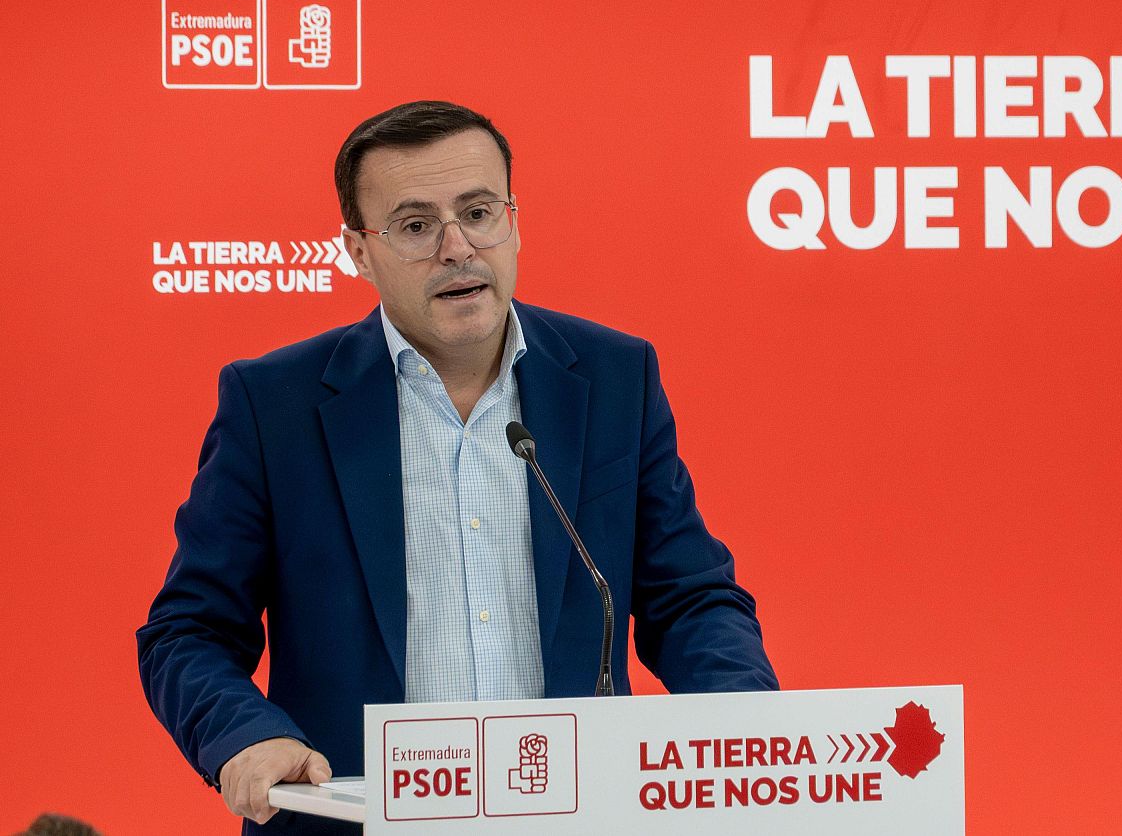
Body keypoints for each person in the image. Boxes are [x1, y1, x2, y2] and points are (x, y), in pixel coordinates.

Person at [136, 101, 778, 834]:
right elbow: (188, 630)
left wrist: (741, 728)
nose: (457, 247)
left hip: (571, 816)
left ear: (514, 219)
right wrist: (246, 737)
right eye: (414, 226)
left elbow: (691, 599)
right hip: (354, 819)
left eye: (478, 212)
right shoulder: (274, 405)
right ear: (357, 250)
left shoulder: (612, 378)